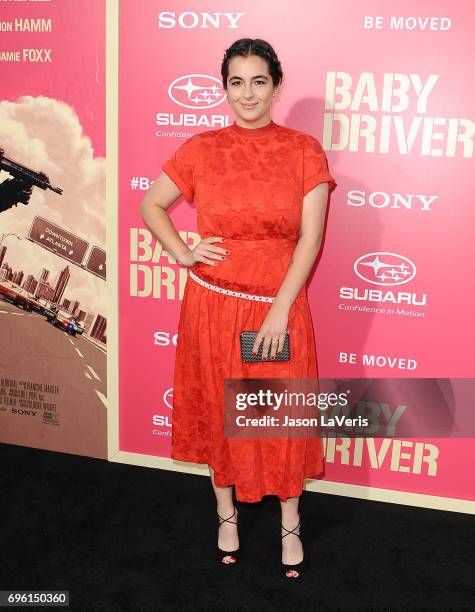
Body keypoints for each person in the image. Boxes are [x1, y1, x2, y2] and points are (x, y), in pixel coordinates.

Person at [140, 38, 336, 579]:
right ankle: (225, 514)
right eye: (235, 82)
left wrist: (278, 310)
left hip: (277, 308)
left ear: (276, 86)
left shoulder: (303, 150)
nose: (246, 93)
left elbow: (311, 239)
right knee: (218, 416)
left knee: (278, 420)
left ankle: (289, 523)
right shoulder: (202, 148)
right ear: (223, 87)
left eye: (257, 81)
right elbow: (150, 204)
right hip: (211, 305)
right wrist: (183, 252)